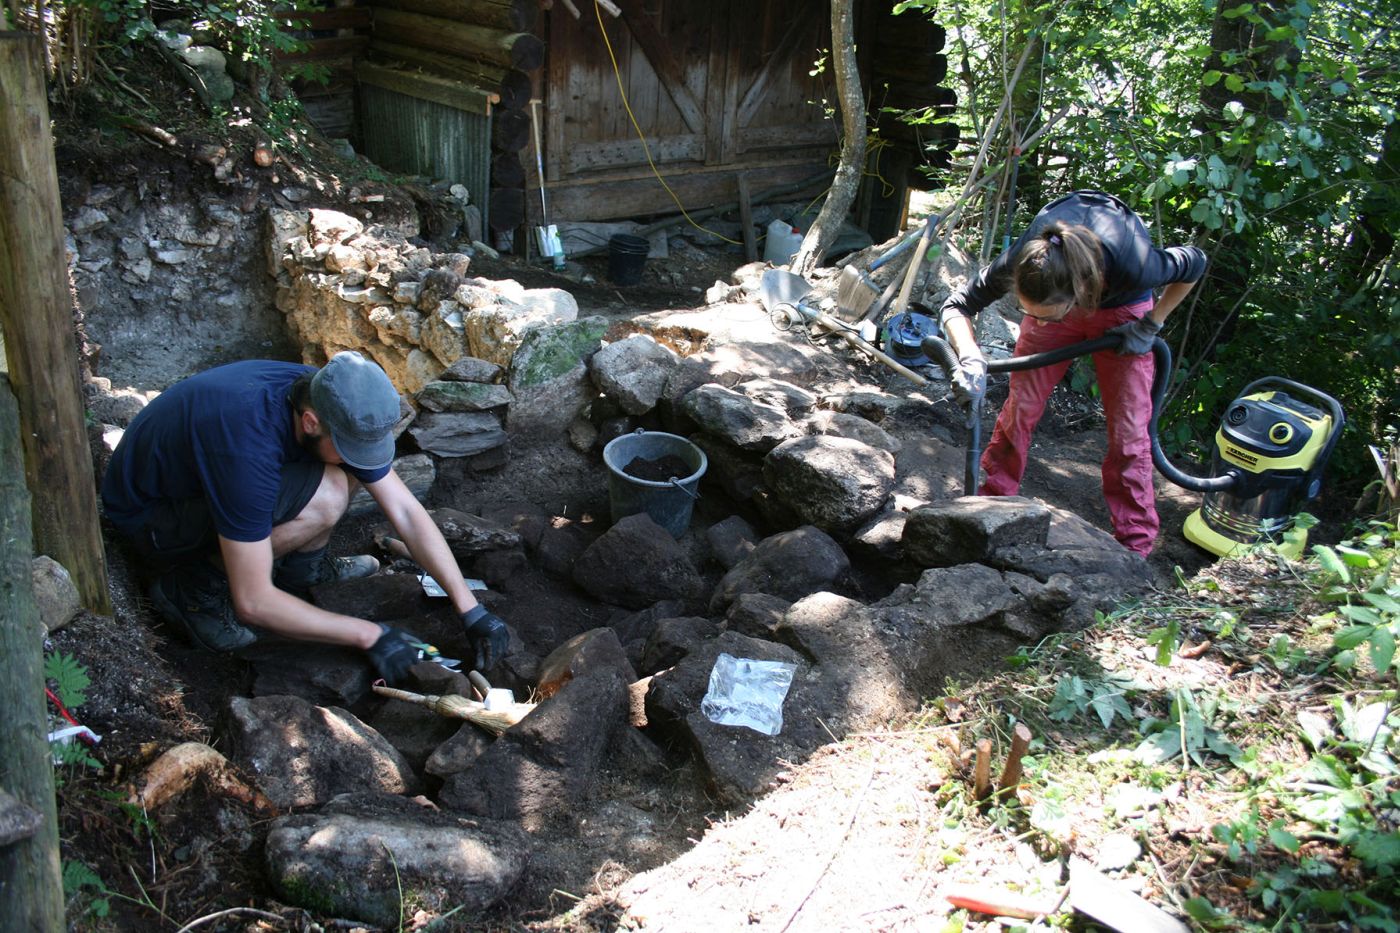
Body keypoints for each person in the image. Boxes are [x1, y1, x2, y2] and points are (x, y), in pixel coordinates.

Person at [101, 351, 510, 683]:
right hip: (153, 516)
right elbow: (254, 602)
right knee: (329, 492)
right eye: (348, 444)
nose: (360, 457)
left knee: (345, 472)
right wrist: (372, 636)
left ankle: (302, 570)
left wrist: (470, 608)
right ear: (310, 422)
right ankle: (193, 589)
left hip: (204, 484)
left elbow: (403, 507)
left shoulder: (328, 396)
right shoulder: (246, 447)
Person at [938, 190, 1208, 556]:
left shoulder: (1136, 265)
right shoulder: (1027, 259)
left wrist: (1151, 324)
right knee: (1021, 408)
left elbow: (1195, 261)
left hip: (1123, 312)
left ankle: (1135, 546)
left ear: (1076, 296)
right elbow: (956, 305)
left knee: (1129, 430)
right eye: (1026, 311)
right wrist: (970, 357)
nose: (1030, 321)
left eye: (1040, 314)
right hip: (1061, 297)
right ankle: (993, 507)